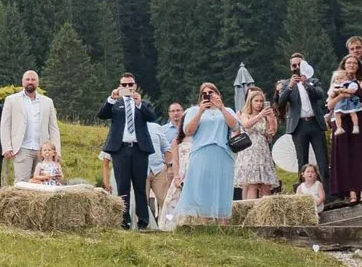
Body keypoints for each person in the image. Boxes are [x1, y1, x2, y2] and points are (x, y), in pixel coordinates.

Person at [173, 83, 242, 224]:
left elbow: (235, 126)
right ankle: (204, 224)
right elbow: (188, 131)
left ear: (217, 94)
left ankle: (223, 224)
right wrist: (200, 112)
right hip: (201, 153)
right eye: (205, 93)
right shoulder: (194, 110)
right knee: (202, 188)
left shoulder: (227, 110)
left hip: (223, 153)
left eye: (211, 92)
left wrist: (221, 107)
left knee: (222, 187)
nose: (209, 95)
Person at [98, 73, 159, 230]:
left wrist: (139, 103)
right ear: (119, 86)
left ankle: (143, 221)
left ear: (135, 85)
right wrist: (111, 98)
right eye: (123, 85)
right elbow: (102, 115)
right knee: (122, 186)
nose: (127, 88)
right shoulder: (116, 105)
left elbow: (152, 117)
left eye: (129, 84)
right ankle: (124, 221)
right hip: (120, 149)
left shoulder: (142, 103)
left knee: (140, 186)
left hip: (139, 149)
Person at [326, 50, 362, 205]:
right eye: (348, 62)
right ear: (343, 65)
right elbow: (330, 105)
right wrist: (341, 97)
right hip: (341, 123)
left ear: (358, 66)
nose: (351, 65)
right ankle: (351, 193)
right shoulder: (336, 83)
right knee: (345, 157)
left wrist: (352, 108)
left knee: (361, 156)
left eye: (354, 63)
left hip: (359, 122)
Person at [0, 69, 58, 185]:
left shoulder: (48, 102)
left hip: (43, 150)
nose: (30, 82)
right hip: (22, 148)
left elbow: (53, 128)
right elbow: (5, 124)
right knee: (22, 183)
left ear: (38, 82)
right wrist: (7, 146)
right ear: (22, 82)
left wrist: (57, 151)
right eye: (27, 79)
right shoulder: (11, 100)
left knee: (43, 183)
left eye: (33, 79)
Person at [276, 55, 328, 185]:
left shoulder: (313, 81)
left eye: (299, 65)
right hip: (299, 126)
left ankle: (327, 193)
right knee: (302, 160)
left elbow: (320, 94)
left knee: (323, 160)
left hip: (315, 123)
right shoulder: (287, 84)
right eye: (294, 65)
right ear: (290, 67)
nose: (297, 68)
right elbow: (280, 102)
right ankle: (305, 192)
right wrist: (290, 86)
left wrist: (306, 83)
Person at [233, 85, 279, 200]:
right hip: (249, 151)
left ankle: (265, 211)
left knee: (266, 185)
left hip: (262, 150)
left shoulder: (265, 115)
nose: (259, 103)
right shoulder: (245, 114)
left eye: (261, 101)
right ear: (251, 102)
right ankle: (252, 209)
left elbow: (271, 132)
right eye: (256, 101)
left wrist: (271, 119)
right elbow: (246, 125)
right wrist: (260, 115)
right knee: (252, 184)